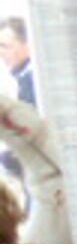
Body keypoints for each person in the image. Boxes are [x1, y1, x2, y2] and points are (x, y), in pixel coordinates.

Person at [0, 17, 33, 186]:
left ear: (26, 44)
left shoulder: (34, 82)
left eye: (6, 46)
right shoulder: (21, 79)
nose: (1, 53)